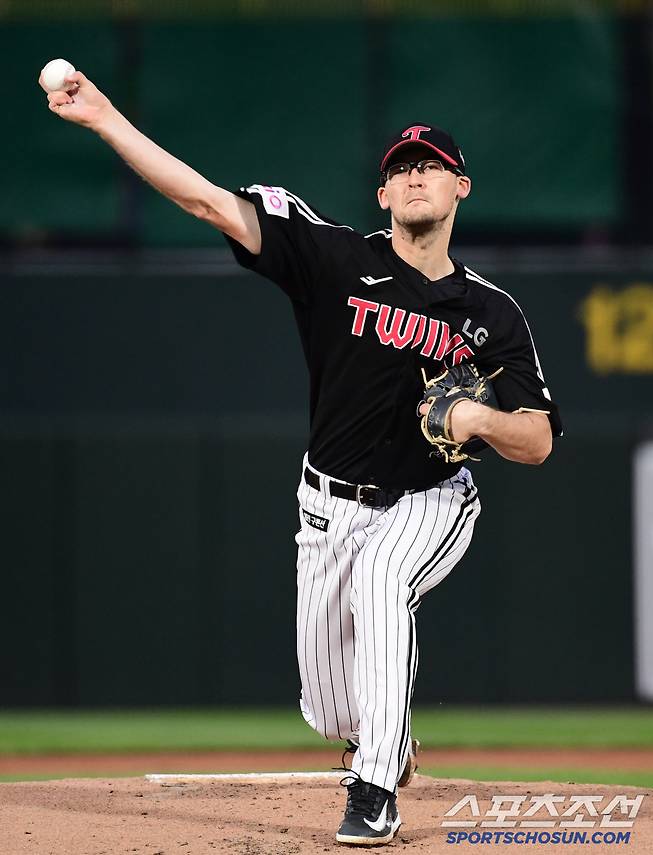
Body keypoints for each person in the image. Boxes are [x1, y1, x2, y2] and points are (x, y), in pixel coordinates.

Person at [41, 73, 562, 847]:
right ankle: (380, 739)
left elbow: (539, 439)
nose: (413, 173)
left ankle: (377, 787)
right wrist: (107, 118)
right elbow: (208, 202)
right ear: (383, 196)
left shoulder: (491, 313)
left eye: (430, 164)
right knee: (328, 709)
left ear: (461, 186)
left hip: (430, 499)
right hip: (327, 505)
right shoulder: (337, 260)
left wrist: (478, 414)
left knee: (387, 585)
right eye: (399, 168)